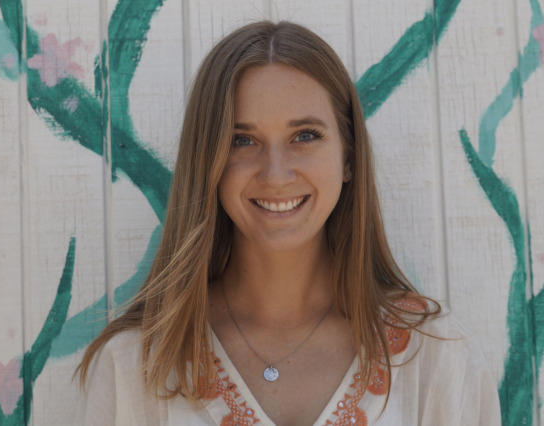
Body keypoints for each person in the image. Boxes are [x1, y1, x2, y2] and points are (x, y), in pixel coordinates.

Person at [75, 21, 500, 425]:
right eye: (242, 140)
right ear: (209, 162)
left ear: (348, 158)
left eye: (305, 136)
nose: (276, 174)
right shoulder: (133, 366)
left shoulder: (438, 358)